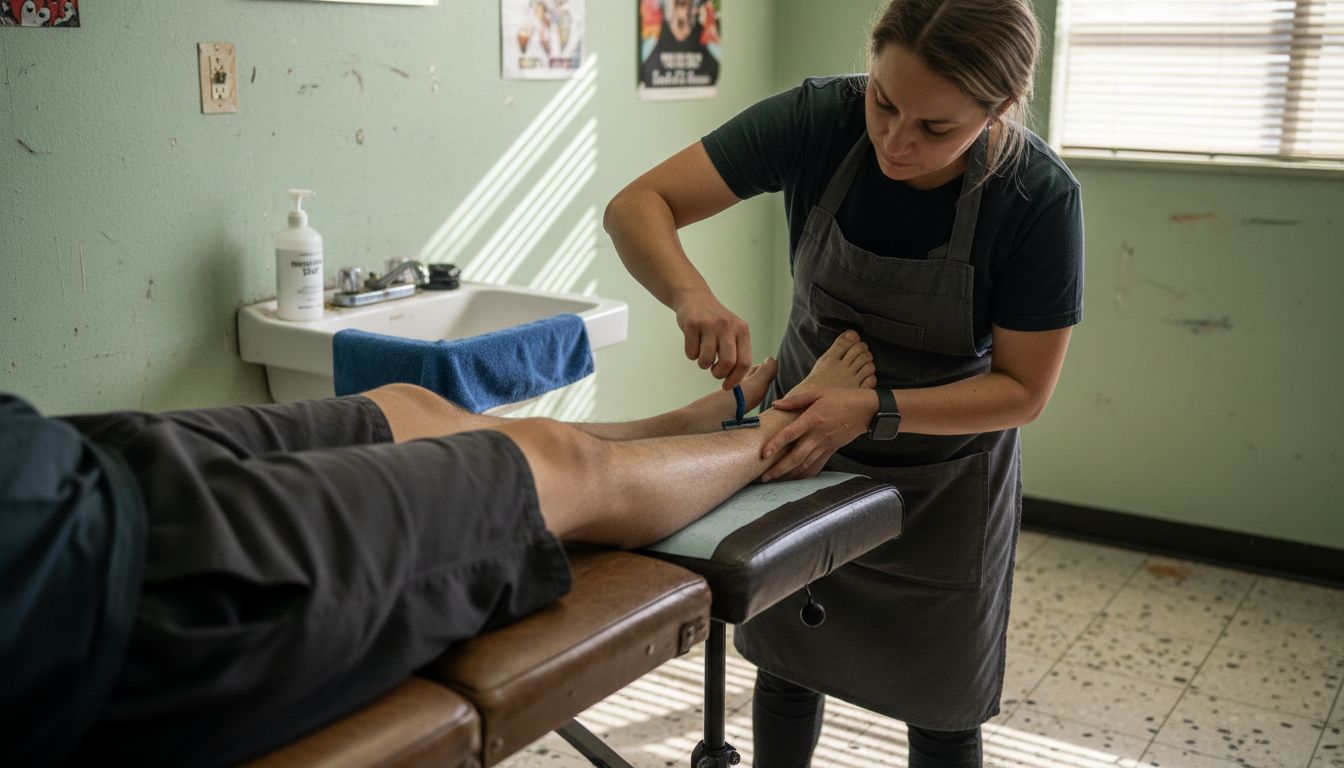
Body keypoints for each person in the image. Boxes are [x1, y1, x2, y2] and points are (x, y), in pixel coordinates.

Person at [0, 332, 876, 767]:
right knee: (554, 468)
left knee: (406, 406)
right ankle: (780, 437)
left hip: (73, 465)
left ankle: (674, 432)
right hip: (108, 589)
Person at [604, 0, 1084, 764]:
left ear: (999, 109)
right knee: (790, 668)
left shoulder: (1037, 198)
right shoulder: (819, 120)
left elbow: (1023, 391)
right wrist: (690, 294)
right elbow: (638, 205)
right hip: (802, 456)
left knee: (942, 706)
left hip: (942, 484)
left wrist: (869, 408)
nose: (896, 141)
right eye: (884, 102)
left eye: (937, 128)